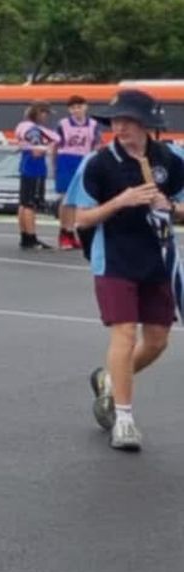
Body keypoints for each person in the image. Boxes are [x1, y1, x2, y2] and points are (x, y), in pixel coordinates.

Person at [67, 89, 184, 452]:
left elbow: (182, 207)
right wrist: (121, 201)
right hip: (115, 258)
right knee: (125, 333)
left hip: (158, 257)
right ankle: (124, 418)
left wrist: (171, 207)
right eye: (115, 121)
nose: (119, 127)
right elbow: (79, 218)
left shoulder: (171, 158)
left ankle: (108, 379)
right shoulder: (98, 163)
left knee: (158, 340)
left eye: (128, 121)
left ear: (146, 124)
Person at [58, 96, 102, 251]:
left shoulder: (93, 124)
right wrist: (54, 166)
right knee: (66, 198)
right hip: (67, 160)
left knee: (82, 198)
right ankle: (65, 232)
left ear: (85, 107)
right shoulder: (63, 124)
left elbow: (97, 144)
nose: (77, 110)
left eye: (79, 106)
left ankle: (76, 230)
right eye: (73, 108)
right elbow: (55, 145)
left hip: (84, 160)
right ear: (69, 110)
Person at [13, 102, 59, 251]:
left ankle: (25, 236)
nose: (46, 117)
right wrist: (49, 148)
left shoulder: (22, 126)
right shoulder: (33, 130)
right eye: (45, 114)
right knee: (30, 205)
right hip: (35, 169)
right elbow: (37, 150)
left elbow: (24, 145)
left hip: (26, 167)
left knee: (23, 203)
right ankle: (31, 238)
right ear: (39, 113)